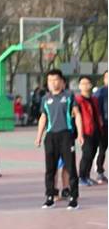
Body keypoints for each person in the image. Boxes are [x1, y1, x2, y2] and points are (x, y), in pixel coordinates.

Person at [35, 69, 84, 210]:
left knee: (70, 167)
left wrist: (80, 134)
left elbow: (77, 114)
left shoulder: (68, 96)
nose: (53, 83)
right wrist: (39, 136)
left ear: (62, 82)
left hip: (66, 135)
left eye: (56, 80)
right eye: (50, 80)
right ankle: (50, 197)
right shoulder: (45, 98)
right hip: (51, 136)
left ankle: (73, 198)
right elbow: (43, 117)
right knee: (50, 169)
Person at [75, 75, 103, 187]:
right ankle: (81, 177)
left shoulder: (94, 99)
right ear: (79, 86)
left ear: (91, 85)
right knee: (86, 154)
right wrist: (79, 133)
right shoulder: (78, 100)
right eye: (83, 83)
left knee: (92, 154)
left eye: (87, 83)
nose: (85, 85)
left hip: (96, 131)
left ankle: (87, 176)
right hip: (85, 131)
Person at [94, 71, 108, 183]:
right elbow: (96, 110)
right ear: (104, 79)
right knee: (102, 149)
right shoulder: (100, 92)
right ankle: (99, 172)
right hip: (104, 126)